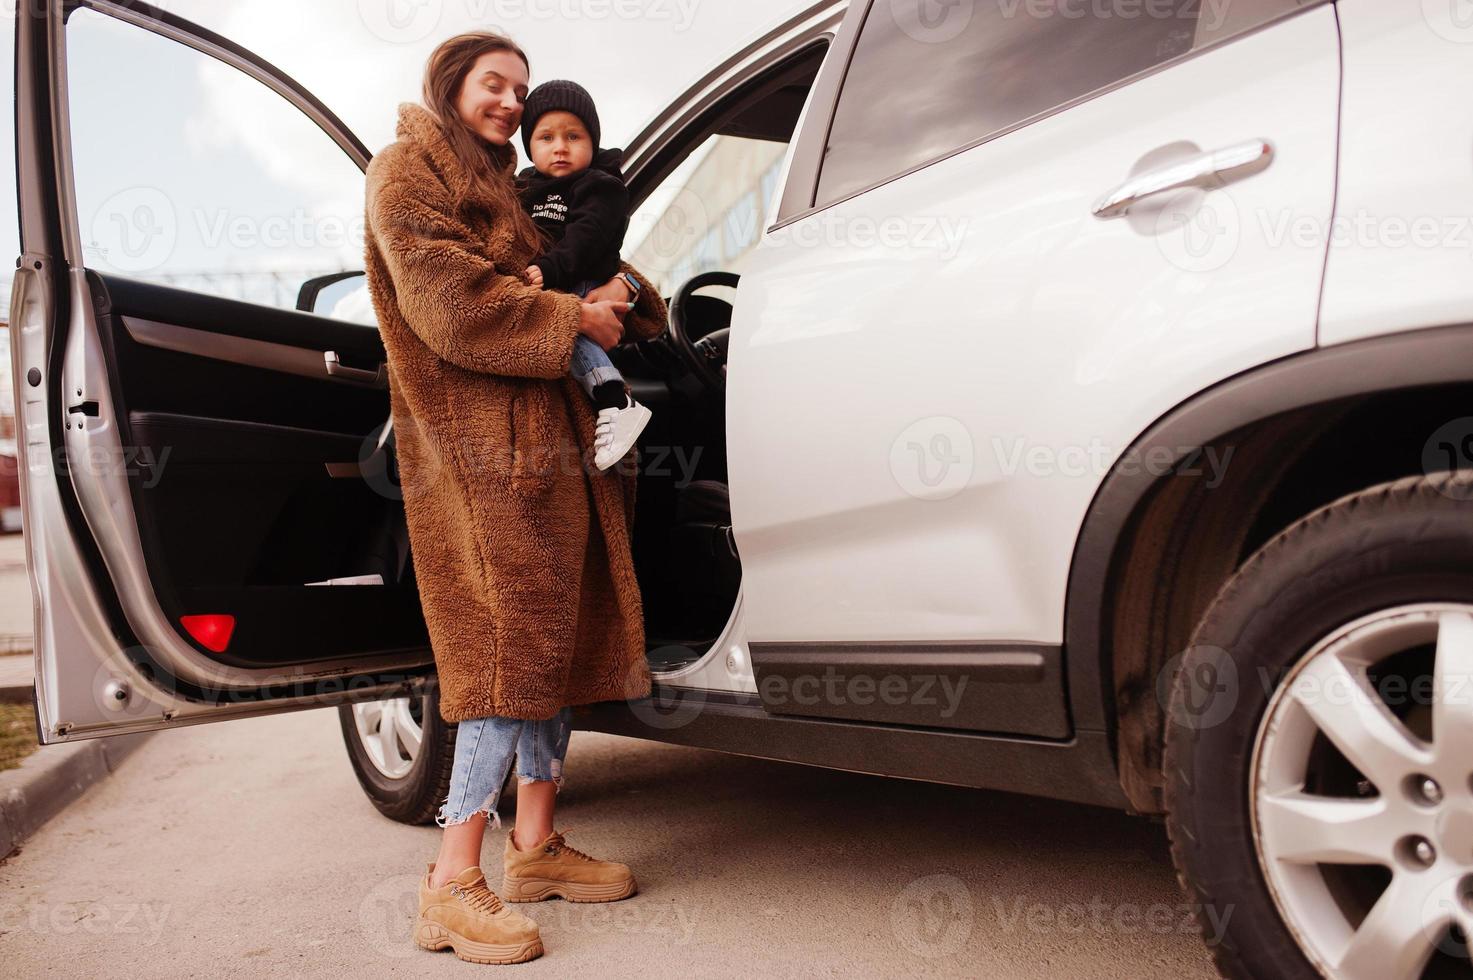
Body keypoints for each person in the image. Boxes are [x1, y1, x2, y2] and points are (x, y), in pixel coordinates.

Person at [361, 30, 669, 965]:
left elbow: (577, 257)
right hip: (480, 454)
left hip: (554, 451)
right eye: (493, 84)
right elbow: (453, 306)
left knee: (552, 644)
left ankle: (533, 846)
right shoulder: (406, 174)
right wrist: (575, 316)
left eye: (519, 89)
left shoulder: (515, 180)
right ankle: (451, 879)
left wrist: (625, 293)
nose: (508, 102)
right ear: (451, 83)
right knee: (500, 655)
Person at [516, 79, 653, 472]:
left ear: (592, 142)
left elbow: (586, 239)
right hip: (555, 281)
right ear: (530, 147)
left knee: (569, 321)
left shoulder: (600, 184)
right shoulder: (523, 188)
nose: (560, 146)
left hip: (582, 280)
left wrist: (548, 269)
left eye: (573, 135)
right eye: (546, 137)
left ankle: (614, 398)